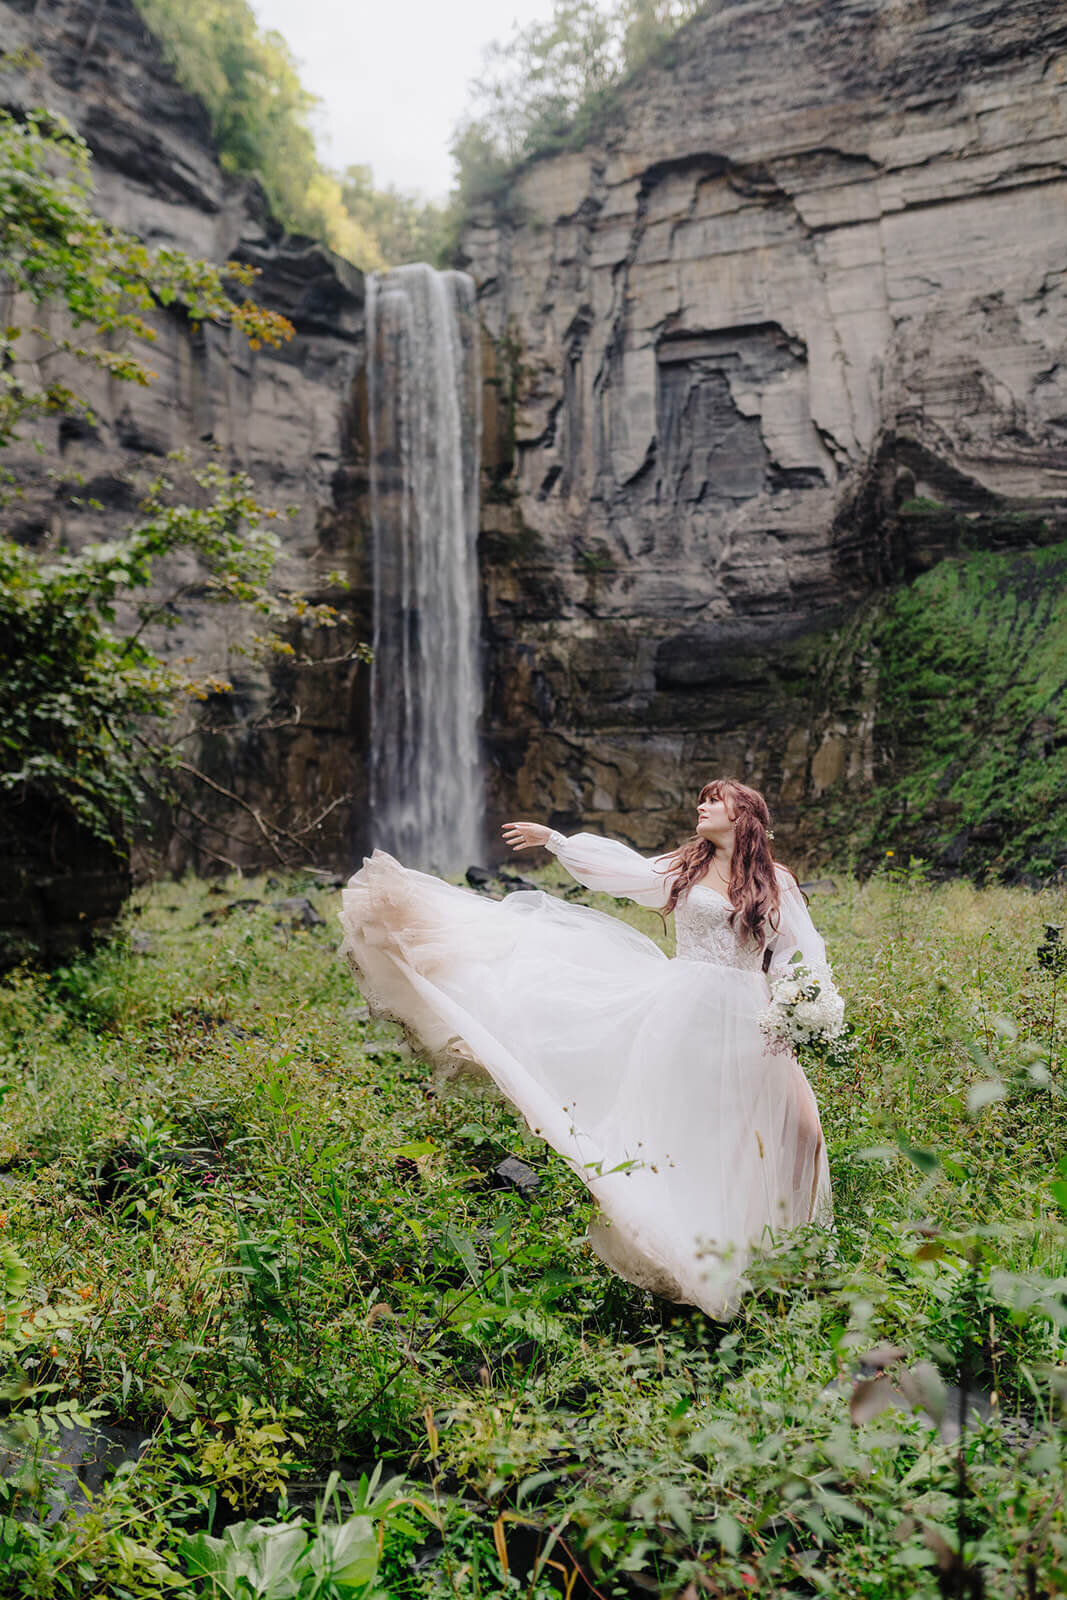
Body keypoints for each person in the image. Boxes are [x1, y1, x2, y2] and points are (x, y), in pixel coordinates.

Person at [338, 779, 835, 1318]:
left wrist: (803, 1004)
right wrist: (557, 840)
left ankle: (776, 1256)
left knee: (785, 1129)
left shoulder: (773, 880)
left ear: (745, 815)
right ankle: (692, 1257)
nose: (702, 805)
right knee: (690, 1128)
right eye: (703, 798)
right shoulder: (684, 868)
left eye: (715, 800)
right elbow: (625, 873)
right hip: (686, 1014)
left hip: (750, 1022)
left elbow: (796, 951)